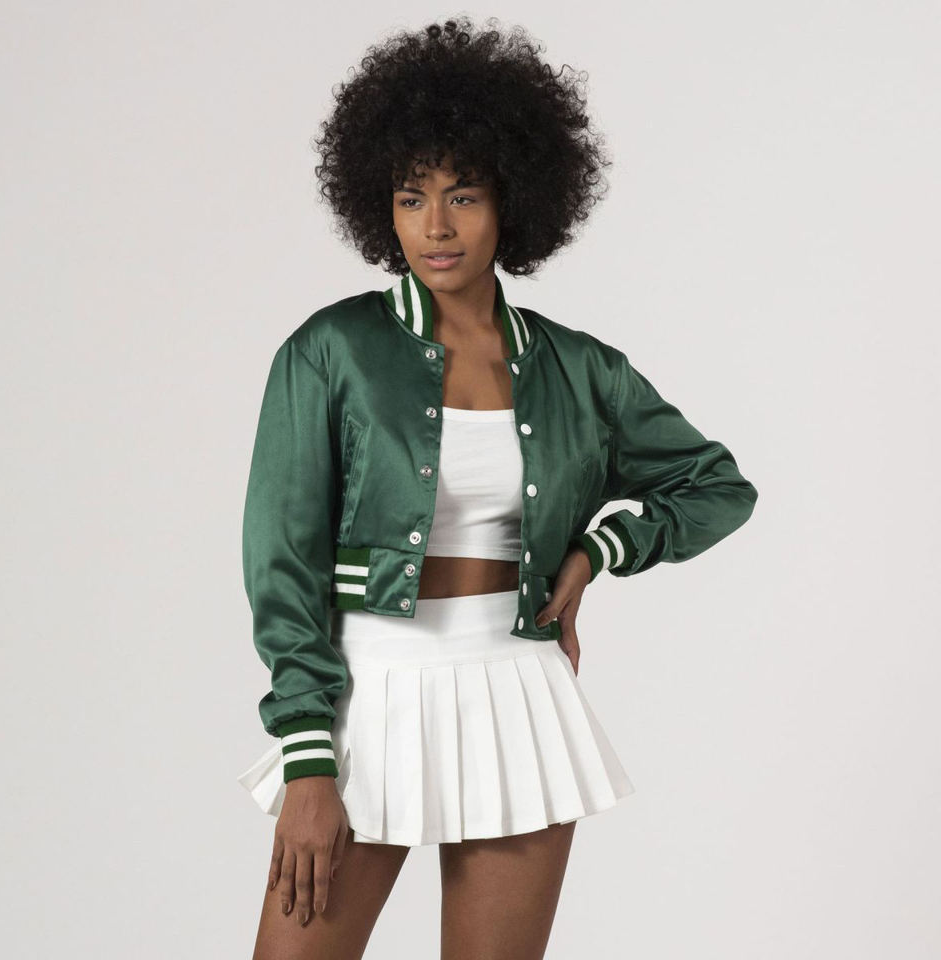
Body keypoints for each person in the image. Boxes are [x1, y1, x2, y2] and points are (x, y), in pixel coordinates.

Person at [236, 16, 758, 959]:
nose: (435, 227)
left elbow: (715, 485)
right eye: (411, 198)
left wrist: (597, 550)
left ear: (513, 200)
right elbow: (283, 564)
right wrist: (309, 756)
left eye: (464, 196)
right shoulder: (329, 353)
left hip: (517, 694)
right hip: (366, 696)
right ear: (381, 207)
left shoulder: (579, 369)